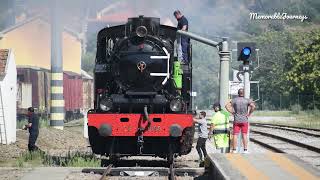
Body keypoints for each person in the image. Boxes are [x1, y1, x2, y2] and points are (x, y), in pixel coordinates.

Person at [225, 88, 255, 153]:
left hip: (236, 120)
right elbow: (253, 106)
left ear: (238, 93)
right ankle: (245, 150)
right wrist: (249, 113)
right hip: (244, 120)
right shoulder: (247, 100)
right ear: (243, 93)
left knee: (235, 135)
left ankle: (234, 150)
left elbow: (226, 106)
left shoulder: (234, 100)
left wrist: (232, 112)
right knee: (244, 135)